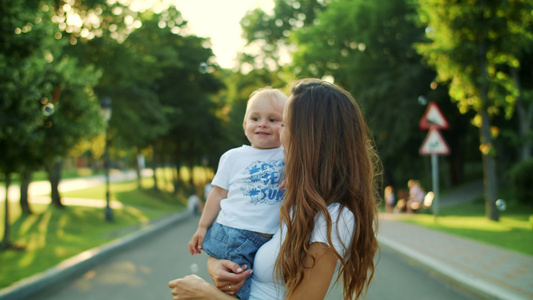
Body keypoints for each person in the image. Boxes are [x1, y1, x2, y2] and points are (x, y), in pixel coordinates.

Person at [170, 78, 381, 300]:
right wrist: (216, 264)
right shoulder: (291, 199)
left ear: (309, 137)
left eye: (284, 124)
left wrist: (206, 295)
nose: (279, 134)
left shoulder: (334, 216)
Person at [188, 87, 287, 300]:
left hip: (268, 237)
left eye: (273, 119)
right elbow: (217, 194)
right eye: (255, 118)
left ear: (287, 127)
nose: (262, 123)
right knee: (237, 288)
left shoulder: (289, 155)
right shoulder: (233, 157)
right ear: (244, 124)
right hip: (235, 233)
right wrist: (202, 227)